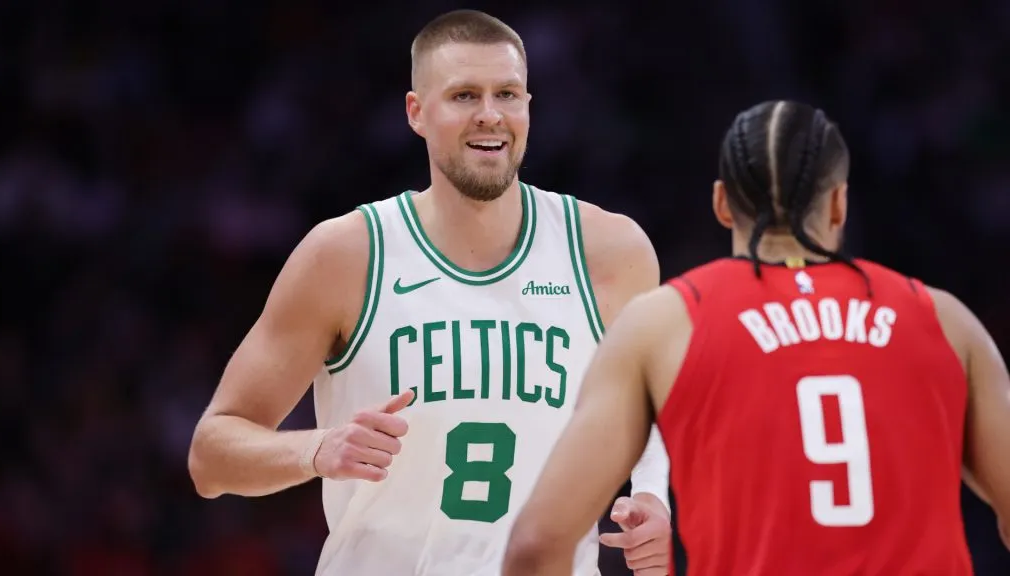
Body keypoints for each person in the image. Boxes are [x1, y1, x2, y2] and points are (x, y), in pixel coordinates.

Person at [187, 9, 673, 576]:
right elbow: (210, 455)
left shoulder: (611, 251)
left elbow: (648, 399)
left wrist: (654, 496)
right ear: (416, 113)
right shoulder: (347, 255)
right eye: (464, 95)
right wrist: (316, 450)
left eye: (507, 95)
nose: (490, 115)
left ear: (528, 108)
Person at [503, 100, 1010, 576]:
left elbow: (536, 543)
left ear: (723, 204)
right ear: (839, 204)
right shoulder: (945, 321)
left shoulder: (665, 324)